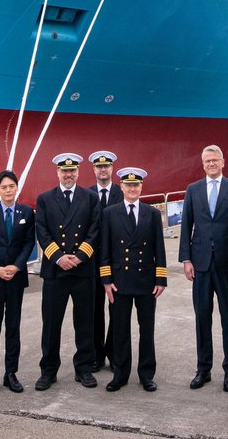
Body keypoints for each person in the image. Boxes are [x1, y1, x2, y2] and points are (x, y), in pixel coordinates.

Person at [178, 144, 228, 392]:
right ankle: (203, 369)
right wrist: (186, 259)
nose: (211, 164)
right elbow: (186, 226)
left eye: (215, 160)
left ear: (223, 162)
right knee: (202, 317)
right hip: (201, 264)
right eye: (207, 161)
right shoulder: (193, 190)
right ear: (202, 164)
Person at [35, 152, 101, 390]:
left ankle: (84, 368)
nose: (68, 174)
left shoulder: (90, 198)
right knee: (51, 324)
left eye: (72, 171)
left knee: (85, 323)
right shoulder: (45, 199)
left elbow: (95, 229)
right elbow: (41, 231)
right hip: (55, 271)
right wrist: (59, 257)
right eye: (64, 171)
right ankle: (48, 370)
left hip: (83, 271)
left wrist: (80, 256)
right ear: (58, 173)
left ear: (78, 173)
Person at [100, 168, 167, 392]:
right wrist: (106, 280)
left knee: (146, 329)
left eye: (136, 185)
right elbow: (105, 249)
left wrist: (161, 279)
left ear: (141, 188)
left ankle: (146, 374)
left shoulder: (152, 213)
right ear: (121, 187)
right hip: (119, 280)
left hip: (146, 280)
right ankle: (120, 374)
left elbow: (159, 247)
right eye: (128, 186)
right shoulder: (110, 213)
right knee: (120, 330)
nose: (132, 189)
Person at [0, 170, 36, 396]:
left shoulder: (26, 212)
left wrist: (17, 266)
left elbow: (29, 242)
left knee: (13, 328)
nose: (8, 190)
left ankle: (11, 374)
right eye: (4, 187)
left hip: (15, 279)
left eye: (12, 186)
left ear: (17, 188)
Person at [88, 150, 124, 373]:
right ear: (94, 170)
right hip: (91, 262)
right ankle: (95, 355)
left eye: (107, 166)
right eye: (99, 167)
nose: (103, 170)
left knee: (116, 309)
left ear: (112, 169)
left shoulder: (122, 193)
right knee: (93, 310)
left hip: (116, 262)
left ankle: (113, 353)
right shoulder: (87, 194)